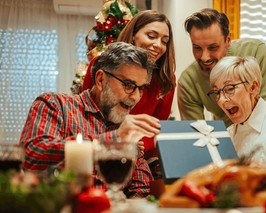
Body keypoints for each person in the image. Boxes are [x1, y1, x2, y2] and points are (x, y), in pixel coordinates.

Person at [19, 42, 160, 198]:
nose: (135, 97)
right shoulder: (56, 105)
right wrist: (114, 139)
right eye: (128, 85)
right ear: (100, 80)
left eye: (141, 88)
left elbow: (141, 187)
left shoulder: (124, 126)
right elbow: (32, 156)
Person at [82, 10, 176, 160]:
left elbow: (156, 129)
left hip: (140, 156)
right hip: (98, 148)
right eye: (151, 36)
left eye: (164, 41)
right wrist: (115, 139)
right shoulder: (100, 65)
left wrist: (136, 143)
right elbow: (86, 112)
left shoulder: (166, 81)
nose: (158, 45)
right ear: (133, 35)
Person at [178, 8, 266, 127]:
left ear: (228, 40)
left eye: (213, 47)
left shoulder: (255, 51)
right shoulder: (188, 81)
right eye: (197, 48)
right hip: (228, 140)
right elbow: (196, 135)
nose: (204, 57)